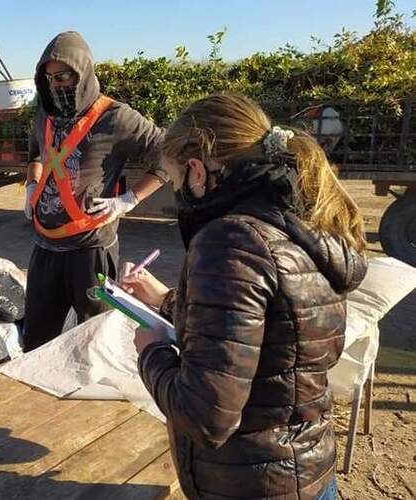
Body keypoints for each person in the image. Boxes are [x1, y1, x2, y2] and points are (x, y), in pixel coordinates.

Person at [122, 93, 367, 499]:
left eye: (173, 178)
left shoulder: (228, 240)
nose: (175, 192)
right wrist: (167, 299)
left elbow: (204, 417)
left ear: (197, 172)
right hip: (306, 471)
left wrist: (151, 351)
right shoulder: (300, 224)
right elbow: (272, 335)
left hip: (251, 483)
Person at [23, 31, 170, 352]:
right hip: (45, 246)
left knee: (96, 340)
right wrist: (31, 185)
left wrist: (129, 199)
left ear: (83, 73)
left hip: (91, 250)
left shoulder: (115, 118)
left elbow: (167, 154)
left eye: (64, 77)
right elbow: (36, 154)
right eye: (49, 79)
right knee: (35, 341)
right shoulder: (44, 114)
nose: (56, 85)